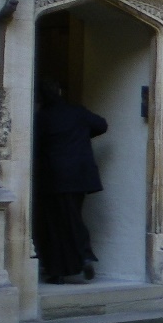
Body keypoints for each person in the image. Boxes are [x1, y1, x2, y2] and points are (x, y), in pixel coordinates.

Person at [32, 78, 107, 284]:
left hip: (54, 177)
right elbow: (101, 125)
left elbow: (35, 148)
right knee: (70, 217)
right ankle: (68, 264)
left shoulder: (42, 118)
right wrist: (81, 135)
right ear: (59, 92)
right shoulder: (77, 112)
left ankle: (74, 260)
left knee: (56, 223)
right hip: (79, 176)